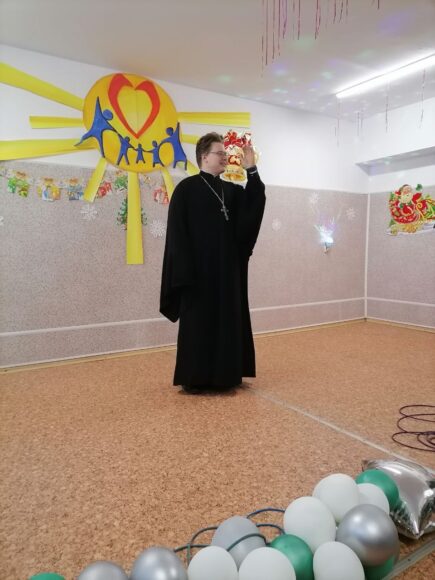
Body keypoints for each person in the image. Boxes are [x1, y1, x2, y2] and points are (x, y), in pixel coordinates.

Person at [160, 132, 266, 394]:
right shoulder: (186, 190)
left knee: (227, 323)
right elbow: (177, 235)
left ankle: (226, 376)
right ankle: (195, 378)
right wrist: (183, 274)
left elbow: (254, 206)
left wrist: (251, 169)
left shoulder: (231, 191)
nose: (225, 158)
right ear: (204, 157)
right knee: (198, 326)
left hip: (227, 274)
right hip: (197, 276)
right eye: (220, 153)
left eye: (225, 153)